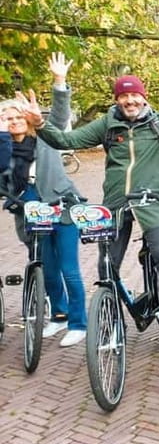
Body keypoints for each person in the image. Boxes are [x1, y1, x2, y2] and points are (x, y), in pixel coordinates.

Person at [28, 68, 159, 340]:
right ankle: (114, 318)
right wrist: (40, 124)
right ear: (117, 100)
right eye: (123, 96)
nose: (130, 100)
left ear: (144, 97)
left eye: (134, 95)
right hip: (116, 204)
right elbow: (68, 140)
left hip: (153, 203)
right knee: (107, 266)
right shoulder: (108, 123)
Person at [0, 53, 87, 347]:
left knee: (69, 269)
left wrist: (59, 81)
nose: (14, 121)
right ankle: (59, 315)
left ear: (27, 117)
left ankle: (78, 323)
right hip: (29, 212)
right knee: (46, 268)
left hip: (61, 207)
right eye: (7, 118)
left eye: (17, 116)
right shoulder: (3, 148)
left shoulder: (45, 138)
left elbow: (60, 116)